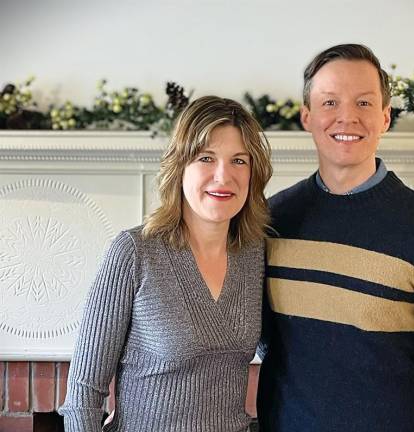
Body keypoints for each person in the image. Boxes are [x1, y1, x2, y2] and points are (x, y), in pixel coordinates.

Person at [257, 44, 414, 431]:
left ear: (385, 118)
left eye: (364, 103)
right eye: (330, 102)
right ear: (307, 117)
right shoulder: (272, 221)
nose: (347, 117)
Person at [59, 95, 272, 432]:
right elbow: (83, 395)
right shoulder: (134, 253)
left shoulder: (257, 255)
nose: (223, 175)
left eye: (239, 161)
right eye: (206, 158)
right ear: (180, 167)